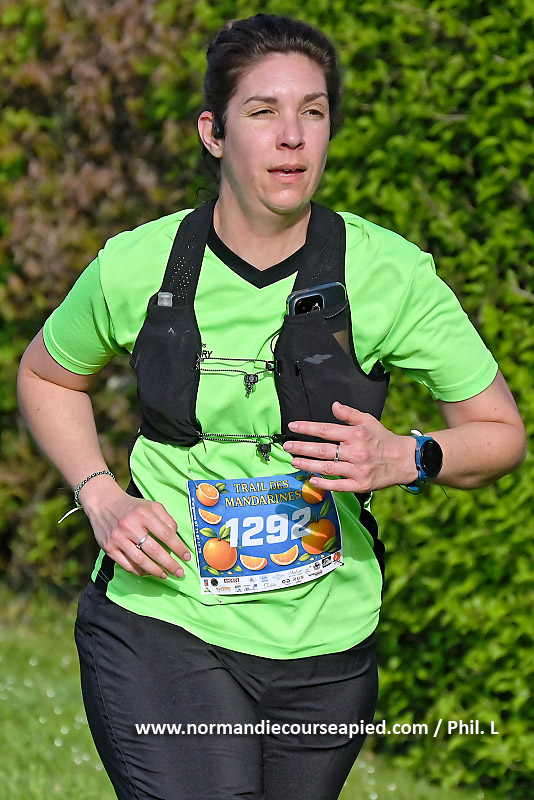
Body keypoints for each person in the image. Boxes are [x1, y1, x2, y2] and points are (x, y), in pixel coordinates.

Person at [17, 13, 525, 800]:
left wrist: (409, 455)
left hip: (329, 641)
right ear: (213, 133)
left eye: (312, 112)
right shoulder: (138, 265)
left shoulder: (390, 276)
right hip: (165, 616)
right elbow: (47, 375)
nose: (292, 136)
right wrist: (100, 495)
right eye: (263, 111)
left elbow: (500, 434)